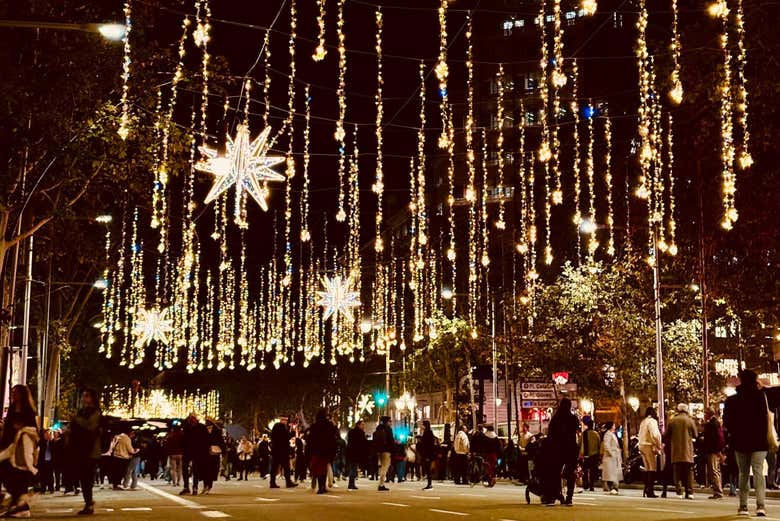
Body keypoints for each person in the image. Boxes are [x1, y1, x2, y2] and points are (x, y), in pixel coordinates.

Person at [724, 369, 769, 517]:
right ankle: (760, 505)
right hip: (759, 441)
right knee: (758, 472)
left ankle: (743, 506)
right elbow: (765, 420)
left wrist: (736, 432)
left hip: (740, 441)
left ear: (741, 380)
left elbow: (727, 422)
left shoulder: (732, 400)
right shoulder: (760, 397)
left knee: (743, 473)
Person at [0, 384, 39, 518]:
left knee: (19, 472)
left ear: (22, 394)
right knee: (5, 469)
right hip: (10, 444)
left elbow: (33, 429)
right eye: (12, 392)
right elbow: (8, 428)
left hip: (22, 446)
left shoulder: (28, 410)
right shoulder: (12, 408)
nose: (13, 395)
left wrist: (21, 428)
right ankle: (18, 503)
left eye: (16, 392)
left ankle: (20, 505)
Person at [69, 388, 103, 515]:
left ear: (93, 398)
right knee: (83, 478)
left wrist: (76, 420)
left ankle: (89, 503)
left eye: (87, 396)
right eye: (83, 396)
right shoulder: (82, 411)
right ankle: (88, 503)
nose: (84, 398)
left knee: (87, 478)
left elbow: (90, 426)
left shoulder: (95, 412)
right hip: (80, 449)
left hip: (91, 449)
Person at [544, 397, 580, 506]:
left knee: (554, 473)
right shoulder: (573, 418)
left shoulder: (556, 419)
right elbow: (576, 432)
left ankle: (553, 496)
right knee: (570, 474)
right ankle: (569, 498)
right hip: (570, 449)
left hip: (557, 449)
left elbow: (550, 435)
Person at [667, 403, 697, 499]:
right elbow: (696, 434)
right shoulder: (690, 421)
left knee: (677, 472)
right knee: (689, 473)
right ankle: (690, 492)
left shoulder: (672, 421)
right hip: (688, 451)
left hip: (676, 450)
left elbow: (666, 434)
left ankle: (679, 492)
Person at [307, 409, 338, 494]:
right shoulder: (329, 425)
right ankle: (322, 486)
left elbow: (310, 440)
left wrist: (309, 451)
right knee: (323, 469)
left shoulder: (314, 426)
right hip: (326, 450)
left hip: (316, 450)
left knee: (318, 468)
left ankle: (320, 486)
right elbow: (333, 438)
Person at [638, 407, 663, 498]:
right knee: (652, 468)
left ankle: (647, 489)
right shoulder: (652, 421)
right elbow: (655, 434)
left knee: (647, 468)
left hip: (641, 445)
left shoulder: (643, 422)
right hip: (648, 445)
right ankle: (650, 490)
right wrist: (659, 445)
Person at [181, 413, 208, 496]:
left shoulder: (201, 427)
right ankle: (187, 487)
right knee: (185, 468)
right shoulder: (187, 427)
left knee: (195, 470)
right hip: (189, 451)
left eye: (192, 418)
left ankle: (194, 487)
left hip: (197, 451)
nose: (191, 420)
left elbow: (205, 440)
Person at [702, 407, 726, 499]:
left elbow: (714, 438)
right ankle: (718, 490)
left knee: (714, 471)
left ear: (709, 414)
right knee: (716, 471)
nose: (704, 415)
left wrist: (717, 450)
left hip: (712, 450)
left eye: (705, 413)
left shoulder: (711, 424)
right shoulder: (716, 423)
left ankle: (718, 491)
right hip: (716, 450)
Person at [270, 416, 297, 488]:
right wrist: (293, 431)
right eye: (285, 420)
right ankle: (288, 482)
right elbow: (286, 437)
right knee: (286, 467)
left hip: (276, 450)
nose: (286, 422)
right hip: (282, 451)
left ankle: (272, 482)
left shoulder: (276, 427)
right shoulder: (282, 427)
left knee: (274, 467)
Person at [201, 418, 224, 494]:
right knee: (204, 471)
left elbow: (221, 441)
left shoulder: (217, 431)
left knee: (211, 470)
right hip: (205, 453)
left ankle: (209, 486)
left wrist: (223, 451)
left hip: (214, 454)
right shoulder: (203, 430)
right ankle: (205, 486)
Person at [600, 421, 622, 495]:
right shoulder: (608, 434)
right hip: (610, 457)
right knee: (610, 474)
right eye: (613, 425)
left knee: (613, 474)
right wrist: (611, 453)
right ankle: (612, 487)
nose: (614, 426)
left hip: (614, 457)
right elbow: (607, 445)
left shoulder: (612, 434)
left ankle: (614, 487)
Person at [579, 418, 601, 492]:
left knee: (585, 471)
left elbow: (579, 443)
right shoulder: (596, 434)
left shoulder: (583, 434)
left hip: (585, 455)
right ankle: (591, 486)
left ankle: (585, 484)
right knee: (592, 472)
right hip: (594, 455)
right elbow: (599, 444)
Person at [346, 420, 368, 490]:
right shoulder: (360, 432)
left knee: (352, 468)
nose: (363, 426)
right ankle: (351, 484)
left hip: (350, 452)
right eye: (362, 424)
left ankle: (351, 483)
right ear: (358, 425)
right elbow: (363, 443)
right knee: (353, 469)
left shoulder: (351, 432)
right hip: (356, 453)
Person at [374, 416, 394, 491]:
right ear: (387, 422)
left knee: (382, 467)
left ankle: (381, 483)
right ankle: (381, 484)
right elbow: (391, 440)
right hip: (386, 450)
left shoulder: (378, 428)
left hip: (379, 450)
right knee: (384, 467)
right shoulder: (388, 429)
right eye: (390, 421)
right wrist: (393, 449)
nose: (391, 423)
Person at [418, 420, 437, 490]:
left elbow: (427, 445)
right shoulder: (428, 432)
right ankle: (429, 483)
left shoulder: (427, 432)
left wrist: (427, 456)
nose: (421, 426)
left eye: (422, 424)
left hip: (427, 454)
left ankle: (429, 484)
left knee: (428, 469)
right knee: (428, 469)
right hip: (428, 454)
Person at [164, 423, 184, 488]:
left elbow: (167, 446)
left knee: (173, 469)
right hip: (181, 454)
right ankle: (178, 482)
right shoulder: (182, 436)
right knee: (180, 469)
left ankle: (174, 483)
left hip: (173, 454)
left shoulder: (170, 437)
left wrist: (168, 454)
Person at [37, 429, 56, 494]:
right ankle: (43, 489)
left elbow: (54, 450)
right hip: (43, 461)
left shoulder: (52, 442)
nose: (47, 434)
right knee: (42, 476)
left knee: (50, 476)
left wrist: (50, 441)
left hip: (50, 461)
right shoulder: (41, 441)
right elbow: (38, 448)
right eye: (46, 433)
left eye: (48, 433)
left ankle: (51, 489)